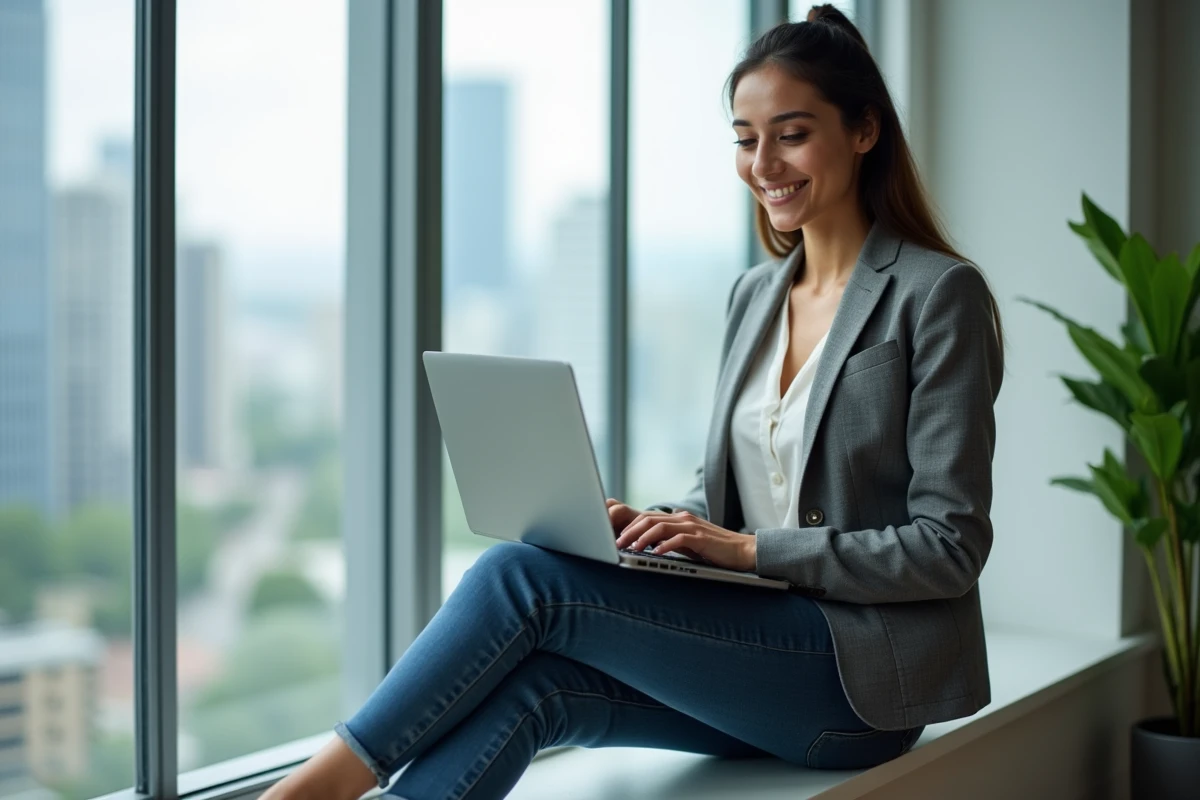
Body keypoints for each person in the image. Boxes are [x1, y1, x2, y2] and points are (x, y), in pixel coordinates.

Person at [264, 5, 1005, 799]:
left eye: (791, 134)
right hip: (758, 652)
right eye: (745, 138)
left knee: (523, 578)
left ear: (864, 131)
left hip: (858, 681)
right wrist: (656, 531)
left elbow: (948, 546)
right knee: (541, 686)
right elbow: (733, 493)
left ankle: (318, 787)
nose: (764, 163)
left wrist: (747, 552)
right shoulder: (754, 296)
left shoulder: (934, 295)